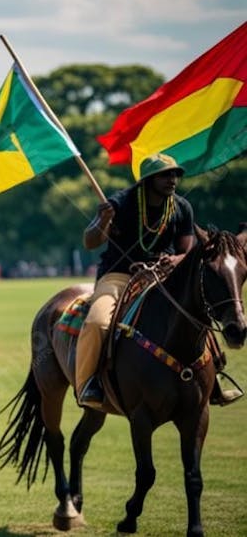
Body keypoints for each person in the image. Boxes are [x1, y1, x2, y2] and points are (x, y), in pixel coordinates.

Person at [76, 153, 242, 408]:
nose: (172, 180)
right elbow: (90, 242)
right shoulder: (122, 202)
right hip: (120, 275)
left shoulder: (181, 207)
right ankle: (89, 383)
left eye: (175, 174)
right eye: (165, 175)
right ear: (148, 180)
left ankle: (214, 379)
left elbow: (185, 251)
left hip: (164, 276)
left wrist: (174, 261)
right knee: (98, 322)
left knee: (196, 314)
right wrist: (103, 220)